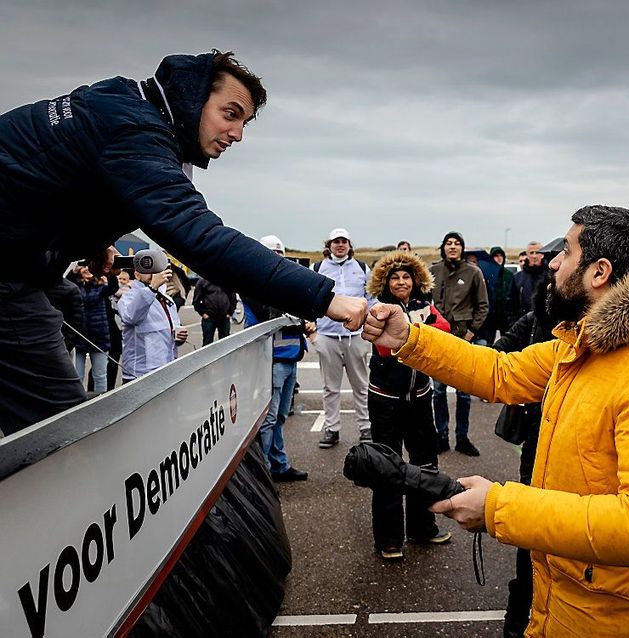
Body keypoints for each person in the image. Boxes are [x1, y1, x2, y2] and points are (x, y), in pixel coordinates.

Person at [364, 205, 629, 636]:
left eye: (568, 251)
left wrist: (499, 508)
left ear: (599, 272)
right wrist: (409, 338)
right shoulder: (589, 343)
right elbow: (501, 372)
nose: (554, 261)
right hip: (581, 605)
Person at [0, 49, 367, 436]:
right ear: (192, 97)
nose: (238, 134)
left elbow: (60, 180)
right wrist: (324, 298)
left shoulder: (120, 103)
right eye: (230, 114)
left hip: (19, 263)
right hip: (9, 280)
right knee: (62, 439)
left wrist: (92, 241)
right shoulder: (137, 132)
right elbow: (201, 238)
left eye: (244, 123)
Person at [364, 251, 453, 560]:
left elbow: (445, 331)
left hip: (420, 398)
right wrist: (421, 333)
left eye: (406, 276)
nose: (401, 281)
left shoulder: (424, 307)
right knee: (387, 467)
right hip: (385, 400)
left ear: (416, 280)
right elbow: (387, 349)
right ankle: (389, 539)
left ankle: (422, 527)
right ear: (385, 282)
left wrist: (416, 332)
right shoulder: (378, 309)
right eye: (395, 277)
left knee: (425, 463)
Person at [491, 272, 555, 636]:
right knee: (531, 528)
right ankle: (517, 619)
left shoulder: (584, 333)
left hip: (566, 437)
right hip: (535, 435)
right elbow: (498, 356)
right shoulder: (534, 323)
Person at [239, 234, 310, 482]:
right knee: (268, 420)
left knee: (279, 417)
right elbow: (272, 316)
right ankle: (265, 473)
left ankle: (279, 465)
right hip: (271, 361)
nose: (278, 260)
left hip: (289, 358)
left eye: (280, 255)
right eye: (273, 255)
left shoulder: (283, 287)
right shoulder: (253, 288)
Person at [312, 228, 376, 448]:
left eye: (344, 241)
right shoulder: (318, 268)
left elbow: (371, 298)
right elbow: (309, 297)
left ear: (349, 245)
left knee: (361, 385)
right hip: (328, 336)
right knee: (330, 387)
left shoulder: (361, 268)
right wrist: (313, 332)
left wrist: (370, 324)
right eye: (335, 241)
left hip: (355, 337)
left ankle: (365, 427)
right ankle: (332, 428)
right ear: (328, 245)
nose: (340, 245)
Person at [429, 231, 488, 456]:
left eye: (457, 244)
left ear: (462, 248)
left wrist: (471, 333)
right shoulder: (433, 271)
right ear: (443, 247)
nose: (452, 247)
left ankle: (462, 437)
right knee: (438, 391)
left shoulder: (473, 272)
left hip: (463, 339)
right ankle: (441, 436)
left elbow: (482, 305)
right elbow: (425, 302)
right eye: (448, 243)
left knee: (463, 393)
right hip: (438, 339)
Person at [118, 266, 188, 383]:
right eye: (148, 271)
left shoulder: (167, 299)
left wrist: (179, 338)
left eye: (156, 271)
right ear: (137, 275)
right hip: (139, 374)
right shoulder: (128, 298)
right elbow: (131, 317)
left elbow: (170, 333)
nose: (153, 274)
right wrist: (152, 288)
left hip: (166, 369)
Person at [70, 265, 113, 393]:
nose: (87, 269)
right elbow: (66, 281)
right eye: (84, 267)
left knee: (100, 375)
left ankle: (101, 403)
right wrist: (74, 271)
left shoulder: (102, 287)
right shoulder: (74, 288)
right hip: (78, 337)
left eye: (90, 267)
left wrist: (109, 269)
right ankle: (76, 402)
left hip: (99, 336)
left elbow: (113, 287)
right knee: (76, 376)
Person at [476, 246, 514, 344]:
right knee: (488, 343)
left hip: (505, 315)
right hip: (490, 315)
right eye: (496, 256)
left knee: (507, 342)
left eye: (501, 255)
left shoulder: (509, 274)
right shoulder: (486, 273)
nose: (499, 258)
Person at [508, 241, 546, 323]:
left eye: (537, 252)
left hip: (543, 323)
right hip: (522, 322)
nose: (534, 256)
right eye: (531, 253)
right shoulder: (518, 278)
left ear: (542, 254)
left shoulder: (549, 275)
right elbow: (511, 304)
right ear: (527, 255)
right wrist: (512, 323)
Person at [193, 276, 237, 346]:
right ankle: (206, 356)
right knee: (207, 342)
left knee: (225, 342)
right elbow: (196, 300)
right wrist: (203, 313)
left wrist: (230, 312)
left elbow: (233, 297)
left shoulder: (227, 281)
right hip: (209, 316)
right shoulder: (203, 281)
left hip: (224, 316)